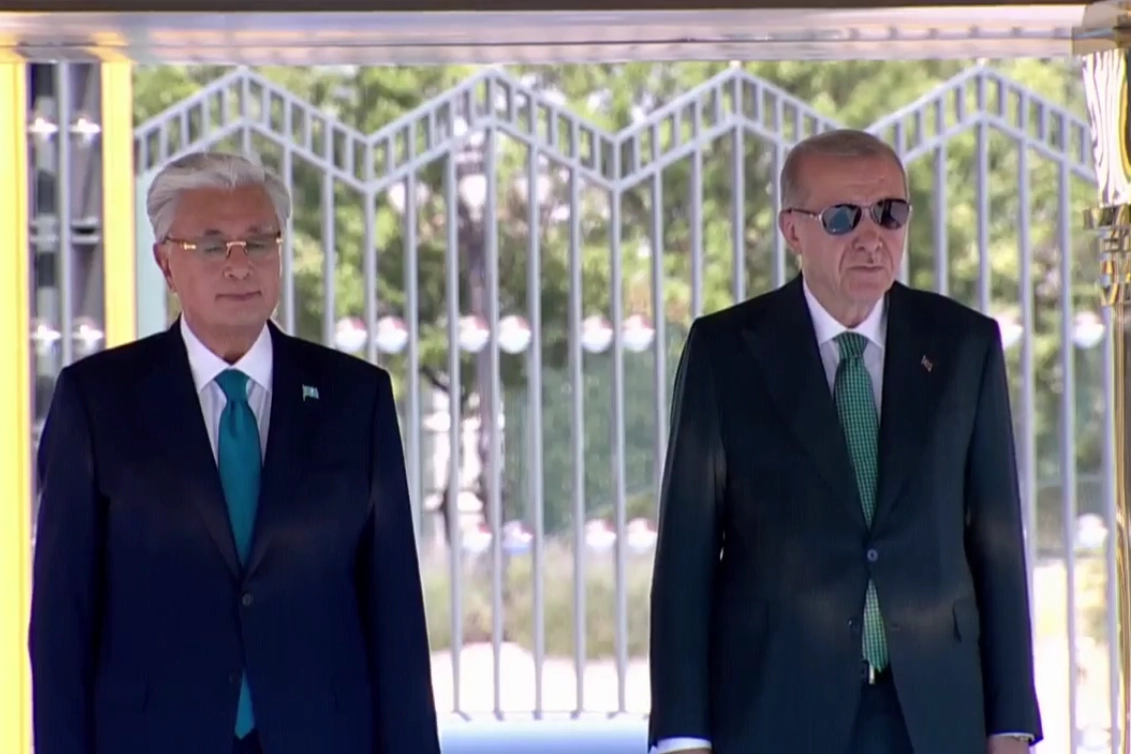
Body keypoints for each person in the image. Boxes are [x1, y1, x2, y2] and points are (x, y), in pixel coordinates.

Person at [29, 151, 441, 754]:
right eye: (212, 245)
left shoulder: (357, 400)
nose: (240, 264)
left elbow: (396, 619)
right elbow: (62, 624)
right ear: (166, 263)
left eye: (259, 242)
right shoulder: (97, 402)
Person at [647, 129, 1042, 754]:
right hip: (777, 711)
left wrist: (1010, 726)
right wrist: (682, 738)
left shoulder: (964, 346)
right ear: (793, 231)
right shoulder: (726, 353)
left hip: (935, 713)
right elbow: (685, 562)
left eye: (889, 213)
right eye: (842, 217)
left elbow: (997, 548)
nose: (870, 237)